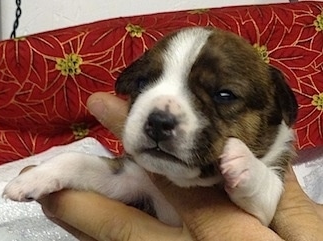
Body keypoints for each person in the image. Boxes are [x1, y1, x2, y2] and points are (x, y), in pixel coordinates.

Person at [35, 92, 323, 241]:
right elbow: (119, 178)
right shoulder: (153, 164)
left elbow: (266, 201)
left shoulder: (268, 165)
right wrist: (61, 170)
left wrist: (252, 177)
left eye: (223, 97)